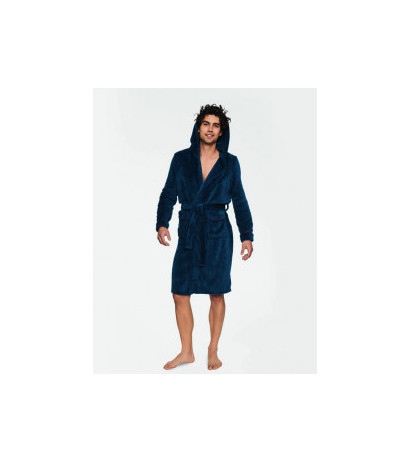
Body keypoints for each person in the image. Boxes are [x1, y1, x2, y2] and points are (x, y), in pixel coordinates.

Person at [156, 104, 254, 370]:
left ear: (221, 131)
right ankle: (186, 351)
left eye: (216, 125)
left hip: (217, 232)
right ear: (198, 127)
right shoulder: (181, 159)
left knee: (217, 293)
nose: (210, 129)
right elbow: (169, 193)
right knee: (179, 293)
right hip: (189, 229)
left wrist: (247, 235)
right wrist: (162, 223)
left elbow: (240, 199)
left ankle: (213, 348)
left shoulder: (230, 163)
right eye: (206, 124)